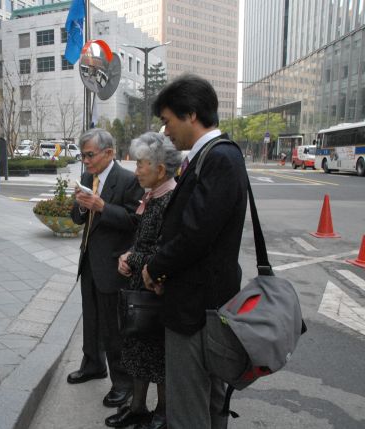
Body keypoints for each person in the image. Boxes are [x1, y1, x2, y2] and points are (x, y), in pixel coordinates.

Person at [142, 74, 248, 429]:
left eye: (168, 120)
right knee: (210, 401)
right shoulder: (209, 157)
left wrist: (154, 268)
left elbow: (194, 235)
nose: (165, 130)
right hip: (201, 302)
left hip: (196, 310)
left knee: (188, 407)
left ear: (190, 114)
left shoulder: (220, 158)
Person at [107, 133, 182, 429]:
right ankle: (138, 407)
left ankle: (162, 413)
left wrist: (133, 258)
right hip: (140, 290)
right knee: (138, 350)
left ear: (160, 170)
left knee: (157, 355)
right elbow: (142, 241)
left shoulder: (170, 200)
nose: (136, 169)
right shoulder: (153, 196)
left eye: (141, 164)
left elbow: (165, 252)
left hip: (158, 292)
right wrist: (128, 256)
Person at [68, 128, 144, 408]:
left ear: (109, 152)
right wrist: (81, 205)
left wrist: (101, 206)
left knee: (114, 327)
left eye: (90, 155)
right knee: (91, 319)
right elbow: (77, 218)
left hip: (113, 264)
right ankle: (93, 365)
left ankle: (122, 383)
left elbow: (136, 221)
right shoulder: (88, 177)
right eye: (83, 155)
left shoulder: (128, 180)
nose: (86, 161)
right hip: (89, 261)